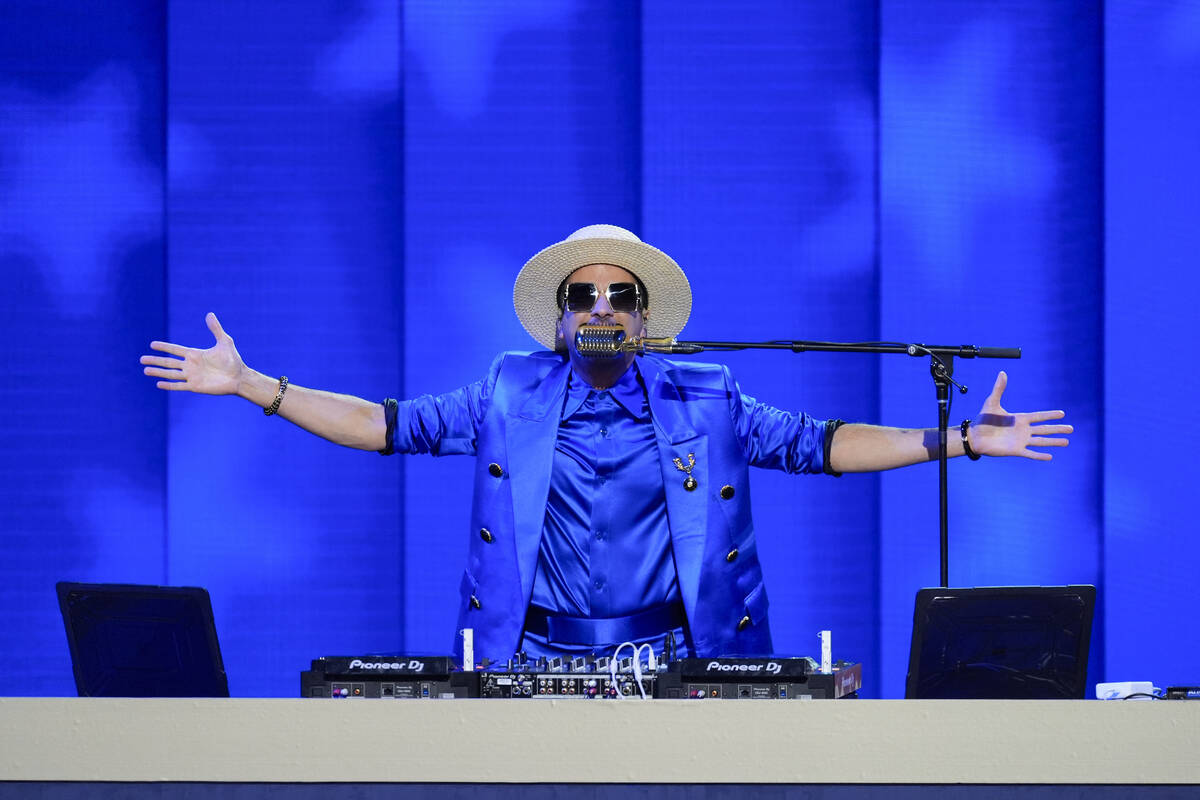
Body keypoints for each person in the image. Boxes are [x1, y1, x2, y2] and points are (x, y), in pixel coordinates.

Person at [141, 224, 1071, 663]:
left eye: (618, 296)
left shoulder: (704, 394)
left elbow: (825, 445)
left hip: (673, 663)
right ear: (558, 320)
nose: (599, 308)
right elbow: (381, 425)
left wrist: (959, 440)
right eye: (581, 297)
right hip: (532, 662)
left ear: (643, 317)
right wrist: (255, 386)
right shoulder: (507, 391)